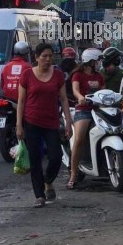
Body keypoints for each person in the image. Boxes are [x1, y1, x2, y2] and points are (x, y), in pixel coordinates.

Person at [16, 42, 72, 208]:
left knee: (55, 156)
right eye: (44, 56)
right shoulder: (27, 75)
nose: (48, 59)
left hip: (52, 122)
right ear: (36, 58)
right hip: (31, 121)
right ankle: (39, 195)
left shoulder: (58, 75)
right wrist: (19, 125)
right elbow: (21, 101)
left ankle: (48, 181)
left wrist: (68, 121)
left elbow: (63, 99)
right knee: (35, 159)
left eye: (50, 56)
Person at [66, 48, 104, 189]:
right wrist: (81, 97)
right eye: (97, 61)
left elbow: (103, 91)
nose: (99, 63)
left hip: (99, 110)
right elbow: (75, 90)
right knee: (79, 139)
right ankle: (73, 174)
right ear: (90, 61)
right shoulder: (78, 75)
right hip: (84, 110)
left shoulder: (99, 76)